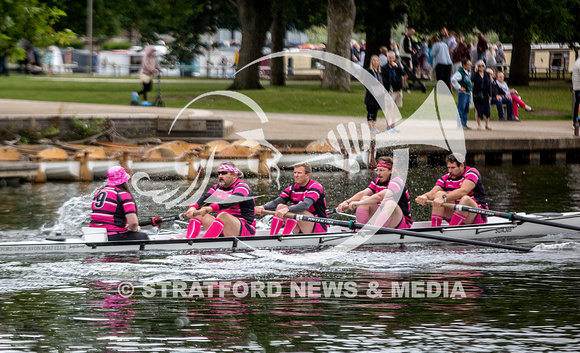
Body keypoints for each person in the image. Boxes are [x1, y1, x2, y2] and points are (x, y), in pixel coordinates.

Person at [336, 156, 413, 229]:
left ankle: (373, 231)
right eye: (377, 170)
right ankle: (359, 230)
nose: (378, 173)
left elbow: (379, 196)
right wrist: (347, 202)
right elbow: (363, 193)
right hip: (383, 221)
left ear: (391, 171)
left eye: (382, 170)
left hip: (401, 223)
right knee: (365, 198)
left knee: (390, 203)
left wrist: (358, 203)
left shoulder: (397, 182)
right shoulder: (377, 181)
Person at [185, 163, 255, 238]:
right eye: (219, 173)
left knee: (223, 215)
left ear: (234, 175)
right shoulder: (217, 188)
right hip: (224, 227)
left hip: (245, 229)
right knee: (198, 214)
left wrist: (211, 208)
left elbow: (232, 200)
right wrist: (193, 208)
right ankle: (188, 242)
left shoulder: (243, 187)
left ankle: (205, 243)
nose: (220, 176)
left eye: (224, 173)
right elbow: (205, 199)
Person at [415, 153, 488, 227]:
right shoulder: (446, 178)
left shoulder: (472, 173)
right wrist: (425, 196)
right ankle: (435, 228)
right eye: (448, 167)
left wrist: (444, 198)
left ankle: (451, 228)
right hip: (457, 214)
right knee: (439, 194)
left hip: (476, 216)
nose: (449, 171)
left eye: (453, 168)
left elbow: (463, 191)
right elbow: (433, 192)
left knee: (465, 199)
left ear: (462, 166)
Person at [255, 162, 328, 235]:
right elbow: (276, 202)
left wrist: (287, 209)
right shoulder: (291, 189)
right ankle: (273, 235)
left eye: (299, 173)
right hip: (300, 226)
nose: (296, 175)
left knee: (294, 209)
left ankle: (285, 236)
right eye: (295, 172)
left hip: (318, 226)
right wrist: (263, 207)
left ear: (307, 175)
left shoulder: (315, 187)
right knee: (280, 206)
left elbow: (305, 205)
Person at [90, 166, 149, 241]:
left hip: (94, 234)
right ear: (124, 180)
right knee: (144, 236)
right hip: (113, 235)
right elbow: (133, 223)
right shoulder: (123, 195)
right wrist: (135, 229)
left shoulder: (99, 192)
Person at [364, 55, 386, 134]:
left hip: (378, 95)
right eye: (374, 60)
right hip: (371, 95)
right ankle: (370, 126)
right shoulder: (369, 71)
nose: (376, 62)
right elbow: (365, 82)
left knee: (375, 111)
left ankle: (374, 126)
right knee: (371, 110)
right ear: (371, 62)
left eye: (377, 61)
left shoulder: (379, 72)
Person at [451, 59, 473, 129]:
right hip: (462, 93)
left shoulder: (468, 72)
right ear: (464, 66)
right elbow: (453, 79)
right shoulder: (460, 73)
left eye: (470, 65)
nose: (470, 66)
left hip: (467, 92)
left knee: (466, 109)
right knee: (461, 108)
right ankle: (459, 124)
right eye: (468, 65)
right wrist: (459, 87)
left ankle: (464, 123)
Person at [471, 60, 492, 130]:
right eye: (479, 66)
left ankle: (487, 124)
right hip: (477, 94)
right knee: (478, 109)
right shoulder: (475, 74)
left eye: (482, 66)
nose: (481, 67)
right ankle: (479, 124)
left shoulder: (487, 74)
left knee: (487, 110)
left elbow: (489, 85)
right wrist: (475, 71)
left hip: (485, 94)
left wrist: (490, 94)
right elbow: (472, 79)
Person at [573, 56, 580, 128]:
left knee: (577, 104)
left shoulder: (576, 62)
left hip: (577, 87)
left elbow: (573, 77)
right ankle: (577, 121)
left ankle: (576, 121)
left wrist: (574, 87)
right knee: (579, 105)